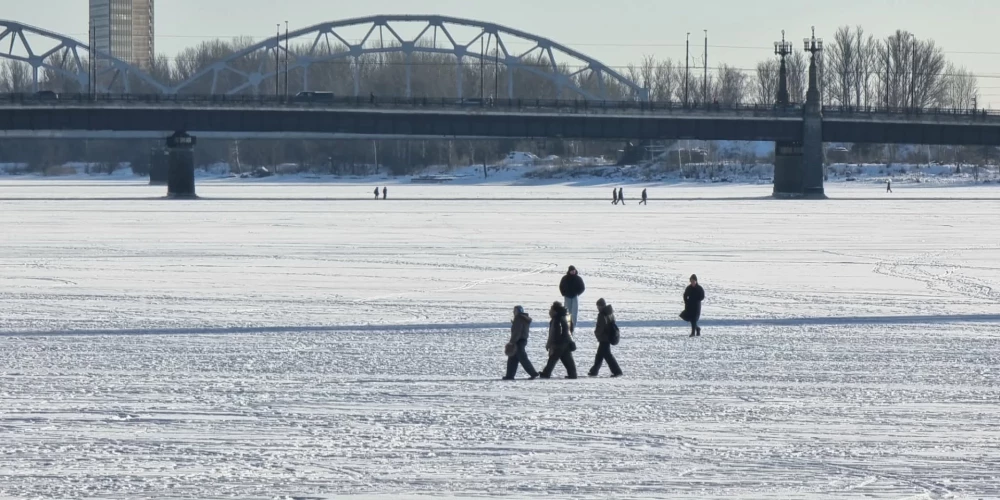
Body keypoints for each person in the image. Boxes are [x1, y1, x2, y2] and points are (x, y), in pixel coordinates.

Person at [540, 301, 577, 379]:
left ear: (555, 311)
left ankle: (546, 374)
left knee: (552, 359)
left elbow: (554, 333)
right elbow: (571, 329)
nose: (549, 312)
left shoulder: (556, 319)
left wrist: (551, 344)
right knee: (567, 359)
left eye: (551, 310)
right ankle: (573, 374)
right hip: (567, 342)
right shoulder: (566, 316)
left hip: (559, 343)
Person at [588, 298, 623, 377]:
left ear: (601, 306)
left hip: (604, 338)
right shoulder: (610, 312)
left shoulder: (601, 315)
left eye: (598, 306)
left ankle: (617, 371)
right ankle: (594, 371)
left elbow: (600, 327)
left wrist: (597, 333)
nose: (597, 308)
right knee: (599, 355)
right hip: (608, 336)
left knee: (607, 356)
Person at [504, 305, 539, 380]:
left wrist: (512, 342)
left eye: (515, 310)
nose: (513, 312)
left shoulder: (519, 319)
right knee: (512, 359)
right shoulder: (523, 319)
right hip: (521, 340)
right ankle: (509, 375)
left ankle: (533, 373)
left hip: (518, 341)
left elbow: (517, 332)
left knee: (523, 358)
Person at [559, 266, 585, 332]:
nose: (573, 271)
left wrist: (577, 293)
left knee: (574, 312)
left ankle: (573, 326)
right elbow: (561, 286)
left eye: (574, 270)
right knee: (567, 312)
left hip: (574, 297)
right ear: (569, 271)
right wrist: (563, 293)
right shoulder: (565, 278)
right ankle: (567, 325)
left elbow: (582, 287)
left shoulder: (578, 278)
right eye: (571, 270)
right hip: (567, 297)